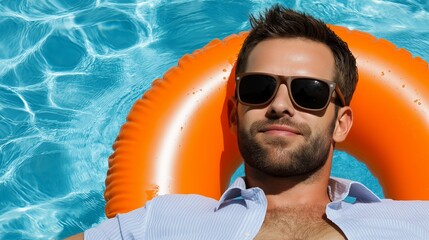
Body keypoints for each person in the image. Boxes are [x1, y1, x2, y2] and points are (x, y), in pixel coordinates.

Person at [68, 4, 429, 240]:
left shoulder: (415, 223)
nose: (280, 106)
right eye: (259, 88)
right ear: (232, 114)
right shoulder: (163, 221)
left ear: (342, 123)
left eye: (309, 92)